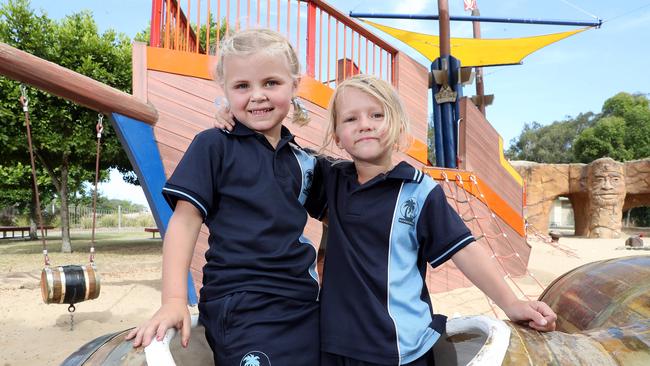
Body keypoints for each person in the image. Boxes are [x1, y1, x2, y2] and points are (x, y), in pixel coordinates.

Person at [315, 74, 557, 366]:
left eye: (377, 114)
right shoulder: (331, 180)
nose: (365, 124)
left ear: (398, 126)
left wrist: (511, 302)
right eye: (351, 119)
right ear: (338, 136)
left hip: (402, 348)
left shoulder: (419, 191)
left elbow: (464, 249)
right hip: (334, 343)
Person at [126, 28, 325, 366]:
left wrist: (327, 273)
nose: (257, 95)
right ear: (226, 91)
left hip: (303, 303)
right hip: (241, 304)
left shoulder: (303, 161)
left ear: (294, 85)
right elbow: (185, 222)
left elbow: (342, 208)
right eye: (242, 86)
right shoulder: (214, 145)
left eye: (271, 83)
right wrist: (174, 298)